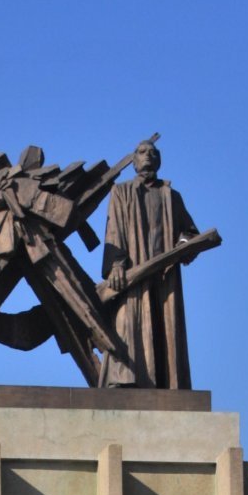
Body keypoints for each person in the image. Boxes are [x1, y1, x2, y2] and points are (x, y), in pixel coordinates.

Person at [99, 138, 199, 389]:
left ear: (159, 160)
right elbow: (114, 232)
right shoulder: (121, 192)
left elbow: (190, 231)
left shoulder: (171, 196)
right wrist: (117, 264)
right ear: (133, 161)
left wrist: (184, 244)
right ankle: (124, 380)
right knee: (128, 322)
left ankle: (165, 383)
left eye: (153, 152)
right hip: (132, 273)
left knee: (163, 327)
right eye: (142, 152)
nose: (148, 155)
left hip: (165, 276)